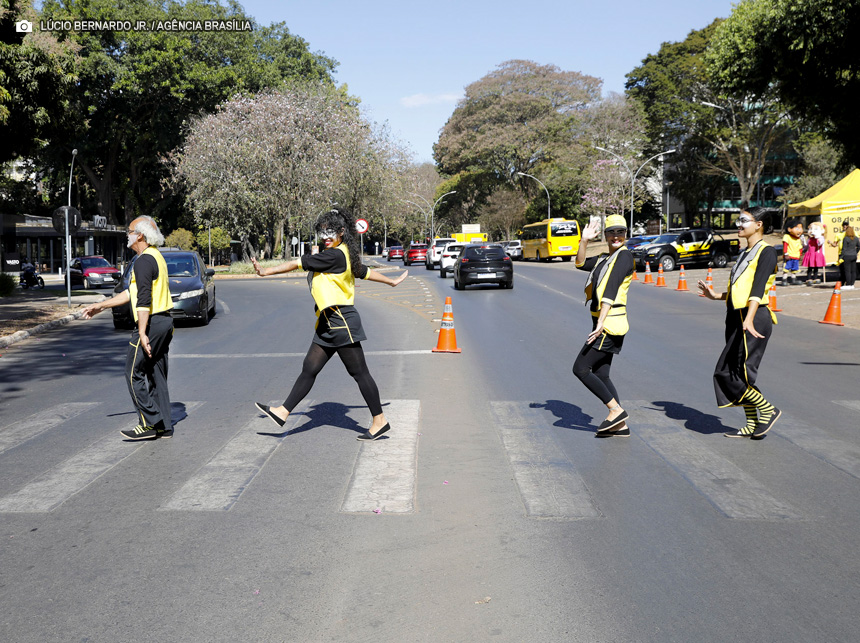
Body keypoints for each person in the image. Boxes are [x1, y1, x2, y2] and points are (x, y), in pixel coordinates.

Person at [252, 207, 407, 441]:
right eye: (322, 233)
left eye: (330, 232)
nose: (325, 237)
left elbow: (297, 263)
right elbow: (363, 272)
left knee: (360, 373)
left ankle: (380, 420)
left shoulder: (334, 255)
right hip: (328, 322)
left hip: (340, 321)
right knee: (310, 368)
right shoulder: (343, 252)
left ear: (342, 232)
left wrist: (265, 272)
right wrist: (391, 282)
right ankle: (283, 411)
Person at [82, 216, 175, 440]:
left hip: (151, 324)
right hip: (165, 322)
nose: (127, 234)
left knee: (133, 373)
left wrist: (142, 332)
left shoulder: (143, 261)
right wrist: (101, 305)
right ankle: (164, 426)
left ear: (140, 235)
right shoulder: (155, 257)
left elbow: (143, 300)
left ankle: (149, 423)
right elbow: (131, 293)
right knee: (156, 374)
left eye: (130, 231)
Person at [698, 206, 780, 439]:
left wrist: (750, 319)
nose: (738, 224)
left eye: (744, 220)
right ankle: (754, 424)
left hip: (752, 317)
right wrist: (715, 296)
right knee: (736, 372)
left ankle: (767, 409)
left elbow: (756, 290)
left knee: (726, 372)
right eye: (739, 220)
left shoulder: (766, 252)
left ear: (759, 225)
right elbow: (739, 290)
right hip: (736, 316)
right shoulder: (745, 253)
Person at [573, 214, 634, 437]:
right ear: (606, 235)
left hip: (609, 323)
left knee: (580, 368)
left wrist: (600, 323)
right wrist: (584, 240)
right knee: (602, 373)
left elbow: (611, 290)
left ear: (626, 235)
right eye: (612, 232)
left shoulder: (625, 257)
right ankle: (621, 426)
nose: (616, 236)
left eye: (620, 232)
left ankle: (616, 411)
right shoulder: (604, 258)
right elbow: (579, 263)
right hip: (603, 321)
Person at [781, 219, 803, 285]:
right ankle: (784, 279)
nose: (800, 230)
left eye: (800, 228)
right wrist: (786, 253)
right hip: (789, 256)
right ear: (789, 229)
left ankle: (793, 279)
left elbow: (800, 247)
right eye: (797, 228)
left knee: (795, 268)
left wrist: (800, 254)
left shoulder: (798, 239)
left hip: (796, 256)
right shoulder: (787, 237)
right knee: (786, 267)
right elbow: (785, 245)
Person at [829, 220, 850, 284]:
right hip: (841, 253)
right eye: (844, 225)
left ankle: (849, 282)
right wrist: (831, 243)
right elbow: (835, 244)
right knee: (842, 269)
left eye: (846, 225)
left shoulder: (851, 233)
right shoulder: (838, 234)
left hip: (849, 253)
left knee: (848, 269)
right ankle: (842, 282)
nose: (845, 227)